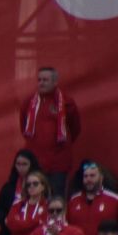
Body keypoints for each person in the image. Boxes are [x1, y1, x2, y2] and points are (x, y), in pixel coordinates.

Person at [20, 66, 81, 197]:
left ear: (55, 82)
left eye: (45, 80)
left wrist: (62, 145)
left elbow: (75, 128)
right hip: (35, 161)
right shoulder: (28, 103)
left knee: (56, 197)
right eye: (39, 80)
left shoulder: (66, 102)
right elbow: (23, 128)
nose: (41, 83)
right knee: (35, 197)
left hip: (58, 162)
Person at [67, 161, 118, 235]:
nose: (88, 179)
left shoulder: (115, 200)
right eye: (85, 176)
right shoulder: (73, 201)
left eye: (92, 176)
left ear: (101, 178)